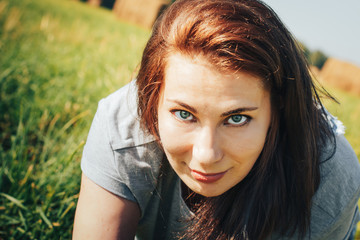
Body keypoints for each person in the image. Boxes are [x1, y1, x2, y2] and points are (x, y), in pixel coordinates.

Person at [72, 0, 360, 239]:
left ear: (278, 110)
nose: (206, 155)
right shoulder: (123, 127)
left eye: (237, 118)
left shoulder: (329, 175)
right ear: (153, 99)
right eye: (184, 114)